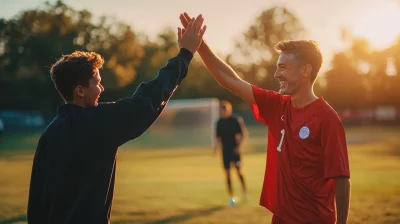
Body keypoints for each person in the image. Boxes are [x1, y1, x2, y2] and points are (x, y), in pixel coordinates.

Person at [27, 15, 207, 224]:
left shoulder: (48, 135)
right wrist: (185, 55)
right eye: (97, 83)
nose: (102, 89)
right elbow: (146, 100)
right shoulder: (96, 122)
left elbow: (36, 201)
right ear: (80, 91)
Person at [179, 13, 351, 224]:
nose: (277, 75)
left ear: (305, 70)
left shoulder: (327, 118)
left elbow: (342, 178)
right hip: (280, 219)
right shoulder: (277, 105)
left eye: (283, 67)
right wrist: (201, 47)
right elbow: (229, 80)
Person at [215, 100, 248, 207]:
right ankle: (231, 197)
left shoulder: (235, 120)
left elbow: (243, 134)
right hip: (225, 151)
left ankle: (244, 191)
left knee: (239, 171)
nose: (222, 113)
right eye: (221, 111)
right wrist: (216, 149)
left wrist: (239, 147)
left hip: (235, 150)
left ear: (228, 110)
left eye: (223, 111)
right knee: (227, 173)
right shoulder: (219, 122)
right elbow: (218, 138)